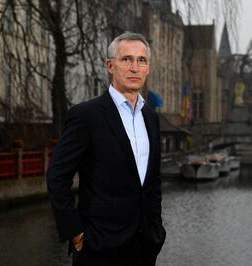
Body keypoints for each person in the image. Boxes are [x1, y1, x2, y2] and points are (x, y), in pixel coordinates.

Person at [46, 32, 166, 266]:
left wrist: (156, 230)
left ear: (148, 68)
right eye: (126, 60)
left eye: (141, 61)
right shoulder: (86, 115)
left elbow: (153, 182)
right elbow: (57, 176)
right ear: (110, 66)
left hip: (144, 247)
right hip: (99, 248)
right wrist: (75, 231)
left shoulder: (151, 117)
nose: (134, 67)